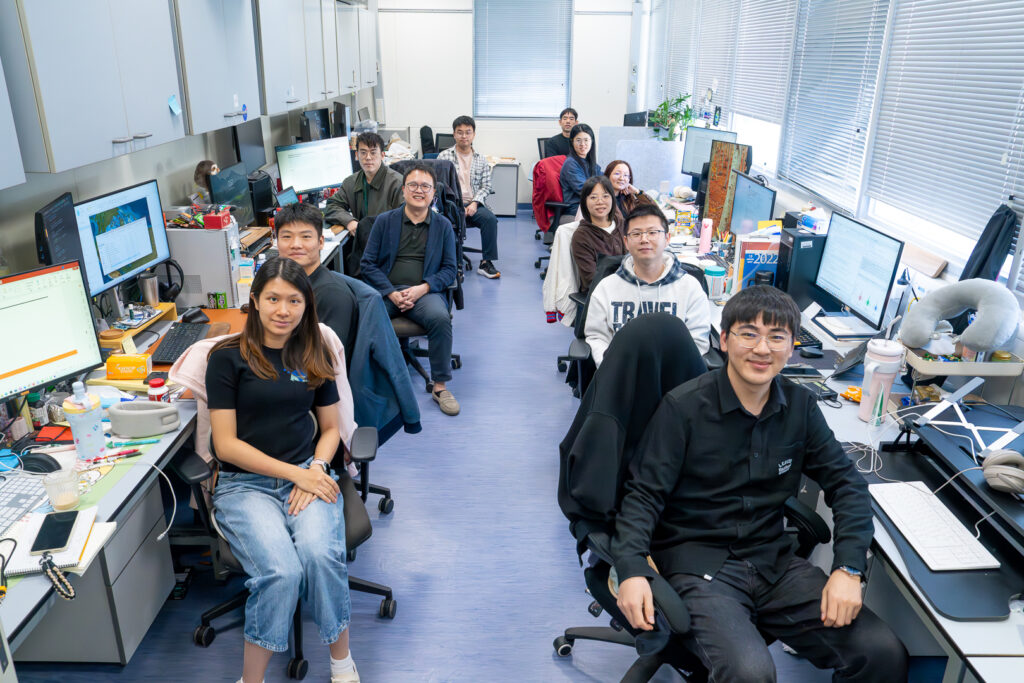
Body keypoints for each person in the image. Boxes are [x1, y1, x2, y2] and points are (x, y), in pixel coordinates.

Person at [612, 285, 909, 682]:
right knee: (750, 673)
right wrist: (632, 569)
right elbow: (642, 497)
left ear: (792, 346)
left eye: (776, 337)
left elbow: (847, 485)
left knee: (882, 652)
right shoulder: (682, 409)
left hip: (773, 563)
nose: (762, 349)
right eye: (748, 334)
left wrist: (848, 568)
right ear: (724, 340)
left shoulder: (800, 408)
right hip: (698, 567)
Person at [206, 257, 360, 683]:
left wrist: (316, 467)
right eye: (273, 299)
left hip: (308, 473)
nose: (283, 310)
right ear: (255, 300)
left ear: (306, 306)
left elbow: (330, 429)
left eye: (294, 301)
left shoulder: (313, 351)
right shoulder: (226, 358)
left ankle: (342, 664)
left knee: (321, 556)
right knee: (281, 573)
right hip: (245, 486)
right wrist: (298, 475)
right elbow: (226, 445)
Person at [360, 162, 460, 417]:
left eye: (425, 186)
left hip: (425, 293)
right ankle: (365, 384)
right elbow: (367, 264)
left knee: (440, 319)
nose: (419, 190)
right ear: (403, 190)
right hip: (387, 291)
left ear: (433, 193)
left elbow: (450, 269)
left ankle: (440, 386)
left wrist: (422, 289)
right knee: (363, 319)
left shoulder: (443, 226)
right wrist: (390, 292)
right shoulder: (384, 222)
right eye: (413, 185)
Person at [585, 204, 710, 365]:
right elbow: (597, 337)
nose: (644, 239)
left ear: (667, 238)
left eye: (652, 232)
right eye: (636, 233)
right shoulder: (606, 288)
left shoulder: (690, 288)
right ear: (626, 242)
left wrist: (666, 371)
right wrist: (614, 368)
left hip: (674, 376)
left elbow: (698, 341)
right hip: (621, 374)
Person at [324, 132, 404, 274]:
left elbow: (406, 220)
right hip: (362, 249)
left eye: (373, 152)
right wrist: (349, 221)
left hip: (388, 252)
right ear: (356, 155)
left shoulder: (397, 183)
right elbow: (332, 205)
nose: (368, 157)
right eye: (363, 152)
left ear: (382, 155)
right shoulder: (351, 182)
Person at [437, 115, 501, 279]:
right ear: (454, 134)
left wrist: (474, 203)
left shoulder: (481, 160)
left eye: (468, 132)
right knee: (445, 222)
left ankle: (486, 263)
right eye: (460, 132)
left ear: (474, 134)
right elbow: (438, 186)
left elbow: (486, 186)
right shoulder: (444, 157)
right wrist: (455, 205)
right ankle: (453, 265)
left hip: (474, 204)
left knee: (490, 220)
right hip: (451, 205)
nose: (464, 136)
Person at [570, 175, 624, 294]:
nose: (600, 202)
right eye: (593, 197)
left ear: (612, 199)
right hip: (601, 295)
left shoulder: (622, 224)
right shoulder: (582, 236)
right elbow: (591, 280)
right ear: (584, 202)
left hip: (630, 288)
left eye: (605, 196)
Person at [559, 123, 601, 219]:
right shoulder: (571, 163)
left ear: (592, 141)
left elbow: (603, 179)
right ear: (572, 142)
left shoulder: (590, 162)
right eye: (578, 140)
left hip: (590, 204)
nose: (582, 144)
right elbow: (584, 190)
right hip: (577, 208)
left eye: (586, 140)